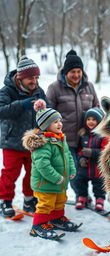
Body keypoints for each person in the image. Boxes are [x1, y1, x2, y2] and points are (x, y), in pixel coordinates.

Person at [22, 99, 80, 240]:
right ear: (45, 125)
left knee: (60, 200)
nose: (59, 124)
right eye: (55, 122)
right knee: (46, 204)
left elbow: (68, 156)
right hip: (46, 183)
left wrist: (71, 170)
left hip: (59, 182)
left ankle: (56, 219)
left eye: (60, 120)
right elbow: (43, 165)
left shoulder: (60, 138)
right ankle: (38, 226)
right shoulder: (42, 143)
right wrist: (56, 177)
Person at [0, 56, 48, 218]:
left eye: (36, 77)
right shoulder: (7, 91)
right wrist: (22, 104)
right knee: (10, 173)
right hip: (12, 140)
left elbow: (48, 111)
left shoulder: (39, 91)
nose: (34, 81)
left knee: (33, 172)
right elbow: (1, 111)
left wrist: (45, 109)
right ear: (20, 77)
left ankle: (29, 200)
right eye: (30, 78)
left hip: (33, 141)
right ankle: (4, 201)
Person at [46, 49, 99, 194]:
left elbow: (97, 109)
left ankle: (82, 195)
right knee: (69, 170)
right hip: (64, 139)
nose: (76, 75)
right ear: (65, 72)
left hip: (86, 139)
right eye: (72, 72)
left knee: (83, 170)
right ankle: (64, 196)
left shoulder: (89, 87)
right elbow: (47, 114)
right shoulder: (54, 88)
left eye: (78, 71)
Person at [74, 107, 108, 210]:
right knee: (80, 182)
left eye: (94, 119)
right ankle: (82, 197)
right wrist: (81, 158)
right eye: (88, 119)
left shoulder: (103, 135)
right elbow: (79, 149)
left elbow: (105, 151)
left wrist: (92, 152)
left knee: (99, 185)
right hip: (84, 166)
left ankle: (99, 200)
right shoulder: (83, 133)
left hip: (97, 168)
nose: (91, 122)